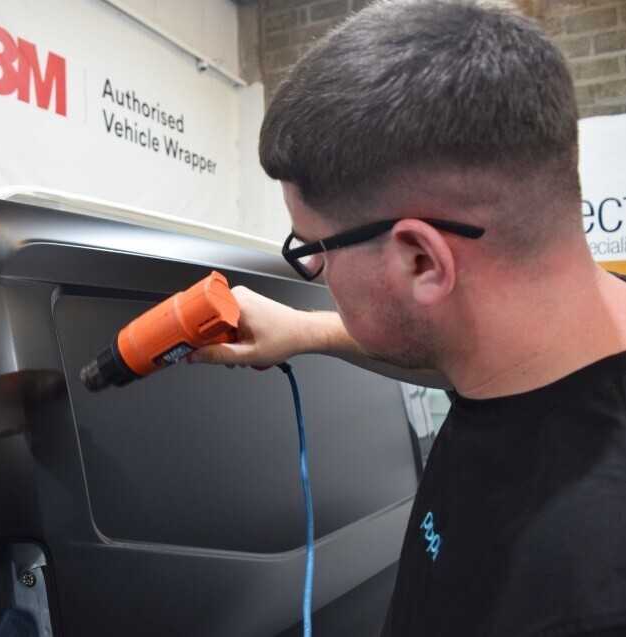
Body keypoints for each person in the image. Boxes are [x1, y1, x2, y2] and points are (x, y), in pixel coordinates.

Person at [187, 0, 626, 634]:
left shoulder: (582, 590)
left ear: (422, 260)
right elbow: (458, 349)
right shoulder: (540, 346)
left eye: (313, 249)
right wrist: (306, 330)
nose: (313, 274)